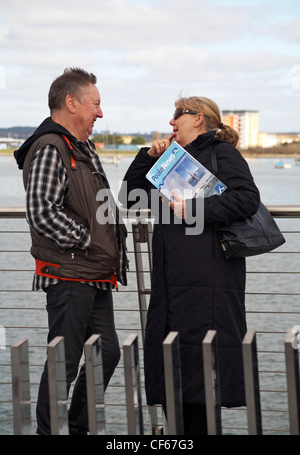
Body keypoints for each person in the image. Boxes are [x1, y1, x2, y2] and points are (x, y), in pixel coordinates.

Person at [119, 96, 260, 435]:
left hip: (207, 282)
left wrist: (196, 208)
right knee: (172, 380)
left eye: (177, 116)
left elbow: (247, 198)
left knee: (201, 384)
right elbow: (129, 196)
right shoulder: (171, 160)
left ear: (198, 119)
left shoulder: (222, 153)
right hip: (171, 284)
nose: (171, 123)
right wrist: (147, 156)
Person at [14, 68, 128, 435]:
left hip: (94, 275)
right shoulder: (51, 146)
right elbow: (43, 211)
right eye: (95, 104)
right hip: (69, 273)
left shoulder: (83, 146)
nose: (100, 113)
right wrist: (88, 240)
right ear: (71, 102)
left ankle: (80, 428)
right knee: (63, 361)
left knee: (106, 352)